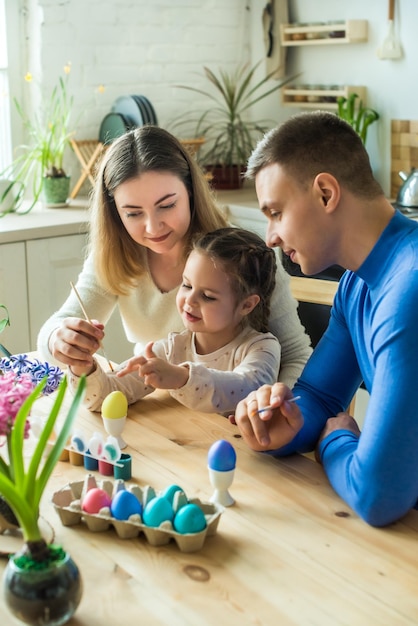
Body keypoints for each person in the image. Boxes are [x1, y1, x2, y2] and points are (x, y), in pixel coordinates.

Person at [234, 110, 418, 527]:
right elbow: (318, 396)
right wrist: (281, 423)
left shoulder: (410, 288)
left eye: (276, 212)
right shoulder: (357, 285)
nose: (270, 237)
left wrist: (336, 440)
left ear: (325, 194)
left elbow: (378, 494)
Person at [37, 125, 311, 388]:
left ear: (191, 192)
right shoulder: (115, 256)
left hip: (231, 418)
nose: (153, 227)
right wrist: (58, 339)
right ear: (114, 212)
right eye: (133, 213)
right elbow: (54, 330)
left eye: (167, 205)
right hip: (154, 411)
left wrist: (276, 405)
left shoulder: (241, 257)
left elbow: (296, 355)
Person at [67, 227, 281, 414]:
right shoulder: (172, 350)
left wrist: (181, 377)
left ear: (247, 305)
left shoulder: (261, 348)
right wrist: (83, 367)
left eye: (207, 296)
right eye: (187, 285)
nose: (190, 300)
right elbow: (109, 396)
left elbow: (247, 389)